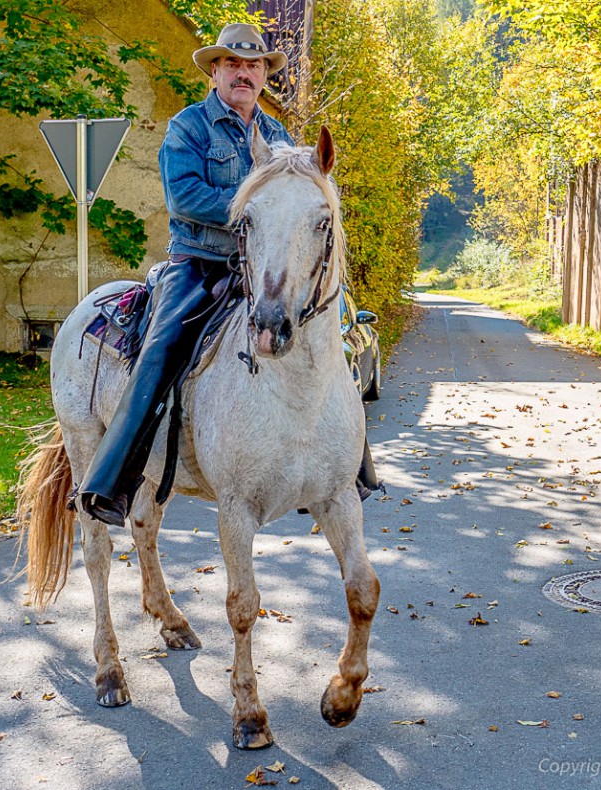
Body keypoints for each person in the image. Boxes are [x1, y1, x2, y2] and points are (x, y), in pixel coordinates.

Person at [77, 23, 378, 527]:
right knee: (163, 348)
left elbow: (303, 199)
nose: (244, 73)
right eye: (233, 64)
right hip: (197, 263)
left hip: (262, 270)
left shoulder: (279, 136)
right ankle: (113, 479)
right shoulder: (188, 128)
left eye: (254, 65)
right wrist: (254, 209)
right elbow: (185, 198)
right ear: (215, 70)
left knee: (328, 337)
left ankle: (347, 470)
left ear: (264, 75)